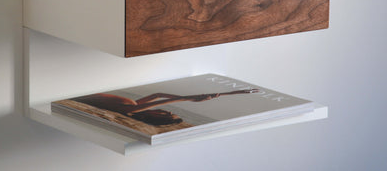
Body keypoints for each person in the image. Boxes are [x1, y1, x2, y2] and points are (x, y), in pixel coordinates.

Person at [72, 89, 259, 125]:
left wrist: (190, 100)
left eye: (165, 113)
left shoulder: (130, 111)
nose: (165, 109)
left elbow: (161, 101)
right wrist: (234, 93)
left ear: (157, 115)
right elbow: (158, 95)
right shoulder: (136, 106)